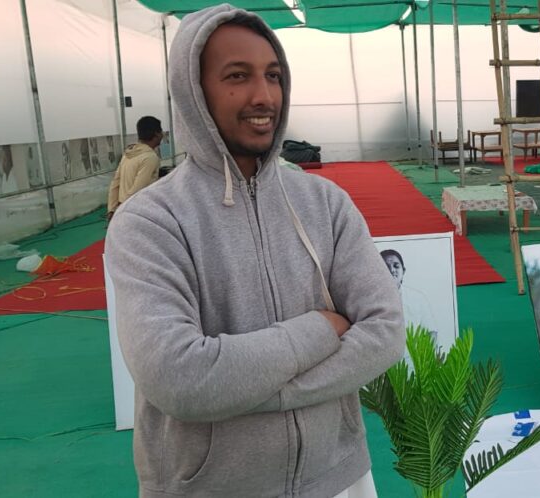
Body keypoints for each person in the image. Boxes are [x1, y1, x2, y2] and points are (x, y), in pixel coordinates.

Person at [105, 5, 404, 498]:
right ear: (193, 90)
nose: (263, 96)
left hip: (339, 477)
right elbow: (180, 379)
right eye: (237, 76)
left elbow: (385, 332)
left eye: (273, 75)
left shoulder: (325, 202)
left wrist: (259, 388)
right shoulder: (150, 222)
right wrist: (318, 330)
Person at [106, 116, 164, 220]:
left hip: (125, 209)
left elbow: (115, 183)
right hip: (136, 212)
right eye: (161, 131)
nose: (162, 134)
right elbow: (138, 189)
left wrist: (112, 209)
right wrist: (121, 209)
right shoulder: (150, 157)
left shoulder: (128, 153)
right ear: (156, 134)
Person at [380, 249, 438, 341]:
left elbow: (431, 332)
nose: (392, 270)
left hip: (414, 355)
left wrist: (426, 355)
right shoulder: (370, 300)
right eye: (386, 267)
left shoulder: (418, 298)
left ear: (403, 271)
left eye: (396, 266)